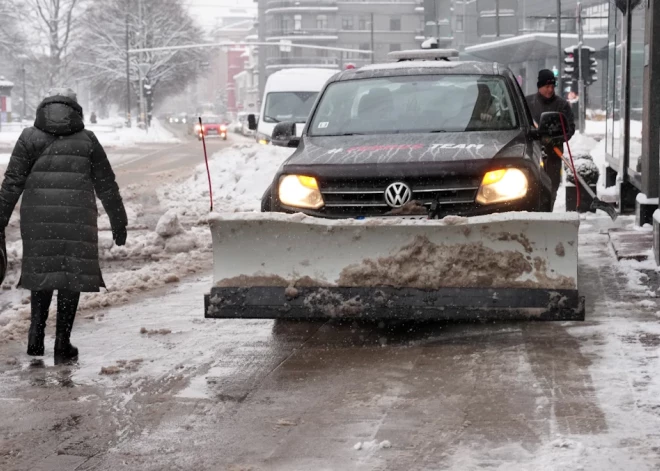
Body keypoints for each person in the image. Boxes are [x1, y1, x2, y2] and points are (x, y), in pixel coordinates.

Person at [0, 88, 127, 364]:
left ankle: (35, 337)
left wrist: (0, 221)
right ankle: (62, 343)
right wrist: (119, 221)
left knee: (43, 273)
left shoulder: (28, 137)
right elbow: (106, 184)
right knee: (71, 277)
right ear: (75, 109)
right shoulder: (87, 140)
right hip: (77, 218)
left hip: (38, 219)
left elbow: (12, 183)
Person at [526, 70, 576, 210]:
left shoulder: (561, 105)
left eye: (552, 86)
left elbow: (570, 128)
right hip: (533, 155)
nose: (550, 90)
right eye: (547, 86)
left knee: (551, 187)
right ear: (539, 86)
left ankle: (548, 212)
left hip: (554, 155)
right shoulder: (528, 103)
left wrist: (557, 139)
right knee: (532, 187)